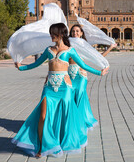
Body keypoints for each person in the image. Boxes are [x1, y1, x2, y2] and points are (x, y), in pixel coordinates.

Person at [12, 23, 108, 158]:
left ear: (61, 34)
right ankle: (41, 146)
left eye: (53, 33)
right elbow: (35, 64)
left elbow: (83, 65)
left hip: (65, 88)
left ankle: (60, 142)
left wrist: (99, 73)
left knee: (64, 117)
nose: (51, 36)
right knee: (43, 116)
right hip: (49, 88)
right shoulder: (48, 50)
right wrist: (21, 67)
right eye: (50, 33)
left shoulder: (70, 51)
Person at [68, 24, 116, 130]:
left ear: (81, 33)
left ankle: (80, 122)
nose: (75, 33)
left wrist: (110, 48)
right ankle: (72, 120)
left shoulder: (84, 45)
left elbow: (98, 56)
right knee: (70, 98)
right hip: (69, 75)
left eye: (77, 31)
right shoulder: (68, 44)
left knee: (80, 96)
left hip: (81, 76)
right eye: (73, 31)